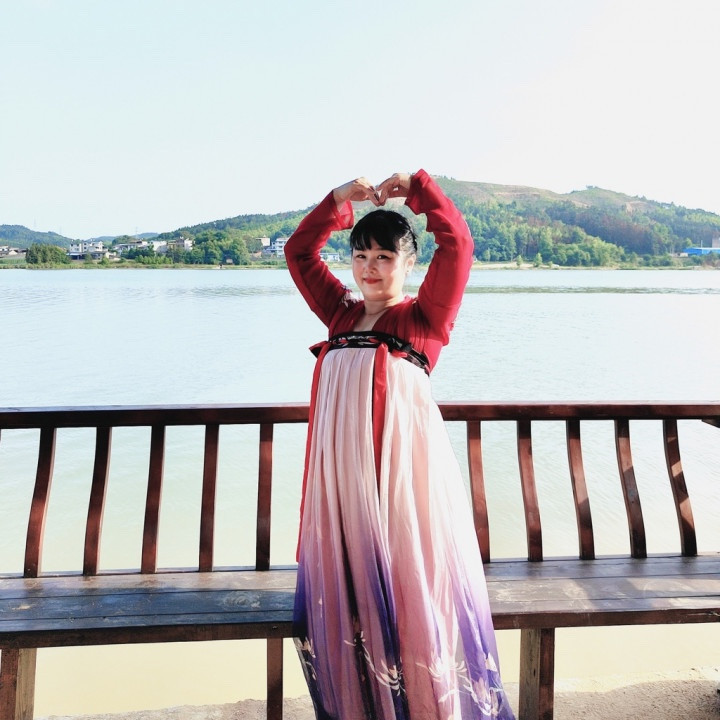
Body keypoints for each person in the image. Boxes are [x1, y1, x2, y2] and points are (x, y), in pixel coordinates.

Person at [286, 170, 515, 720]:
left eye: (384, 257)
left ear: (409, 263)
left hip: (401, 487)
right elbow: (299, 252)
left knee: (410, 596)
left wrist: (419, 189)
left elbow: (458, 244)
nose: (370, 267)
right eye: (360, 255)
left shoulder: (424, 319)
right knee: (352, 603)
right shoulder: (340, 312)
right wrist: (337, 200)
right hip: (344, 487)